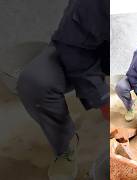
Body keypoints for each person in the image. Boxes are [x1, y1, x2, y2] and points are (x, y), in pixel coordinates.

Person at [16, 0, 108, 179]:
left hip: (119, 51)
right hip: (83, 49)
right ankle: (65, 145)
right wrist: (102, 98)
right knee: (34, 82)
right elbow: (73, 49)